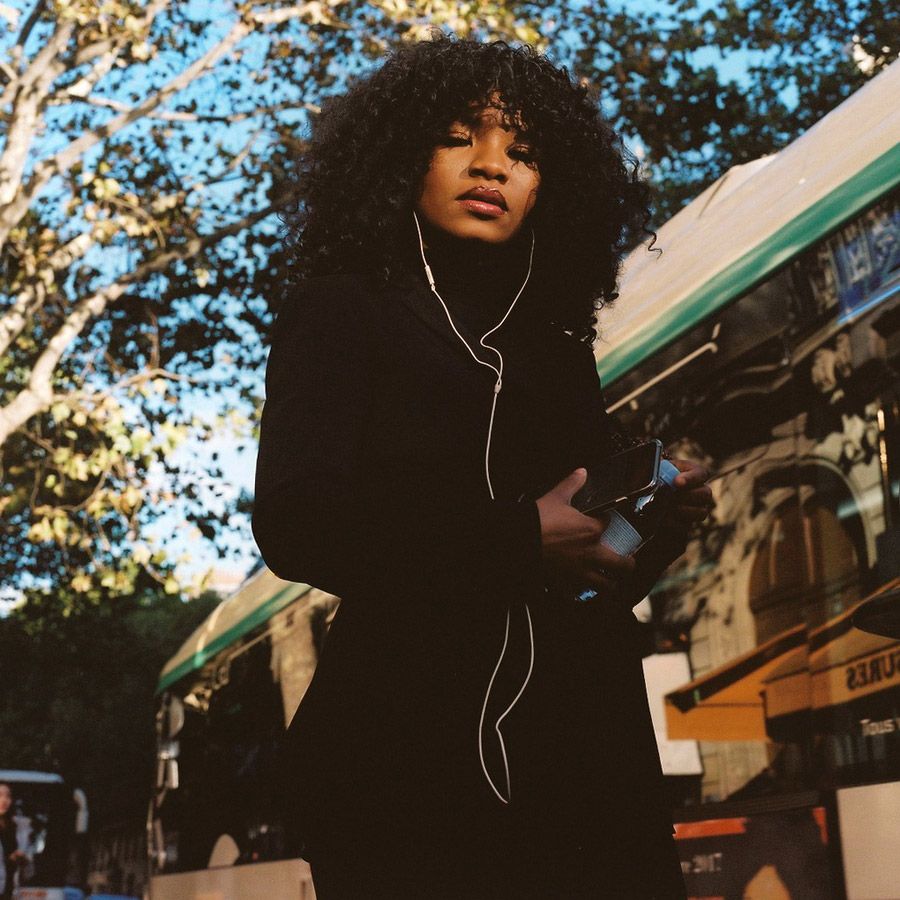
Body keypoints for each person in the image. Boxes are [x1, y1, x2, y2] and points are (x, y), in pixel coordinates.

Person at [253, 36, 713, 898]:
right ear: (401, 156)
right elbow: (297, 520)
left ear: (553, 185)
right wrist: (516, 535)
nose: (493, 165)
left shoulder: (557, 343)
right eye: (461, 136)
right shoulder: (341, 306)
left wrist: (651, 527)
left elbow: (588, 564)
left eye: (525, 151)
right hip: (404, 777)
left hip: (581, 772)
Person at [0, 783, 25, 900]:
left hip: (7, 889)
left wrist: (16, 857)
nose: (4, 800)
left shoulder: (11, 826)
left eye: (8, 796)